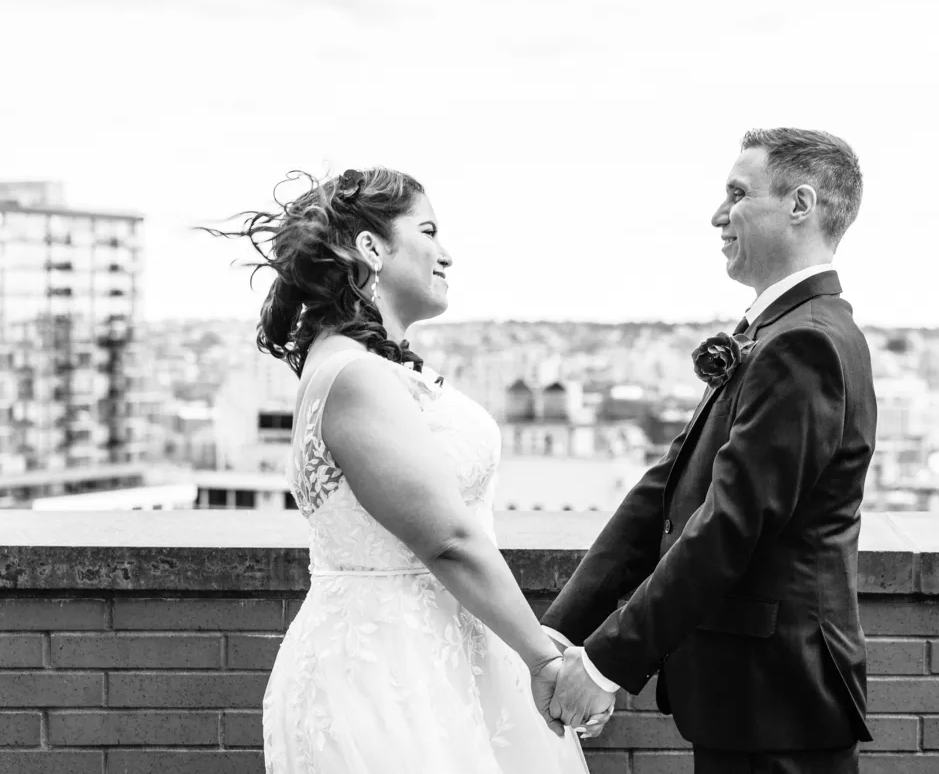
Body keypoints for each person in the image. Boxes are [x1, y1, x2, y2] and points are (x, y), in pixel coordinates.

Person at [211, 168, 601, 773]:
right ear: (371, 248)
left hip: (423, 654)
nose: (446, 253)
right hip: (389, 669)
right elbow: (447, 539)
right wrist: (542, 658)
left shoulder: (354, 365)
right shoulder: (357, 376)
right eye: (428, 231)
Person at [542, 128, 877, 774]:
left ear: (800, 204)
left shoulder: (804, 342)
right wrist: (562, 632)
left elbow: (730, 524)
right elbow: (666, 491)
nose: (717, 214)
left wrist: (605, 662)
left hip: (777, 700)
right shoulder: (778, 330)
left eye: (737, 193)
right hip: (751, 698)